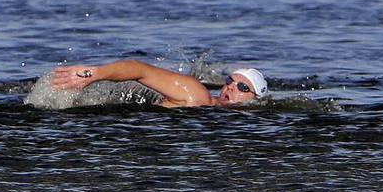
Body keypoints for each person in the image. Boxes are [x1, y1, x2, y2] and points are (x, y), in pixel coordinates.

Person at [50, 59, 268, 108]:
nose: (231, 87)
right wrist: (93, 73)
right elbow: (140, 70)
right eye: (231, 80)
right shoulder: (196, 95)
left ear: (255, 100)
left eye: (242, 87)